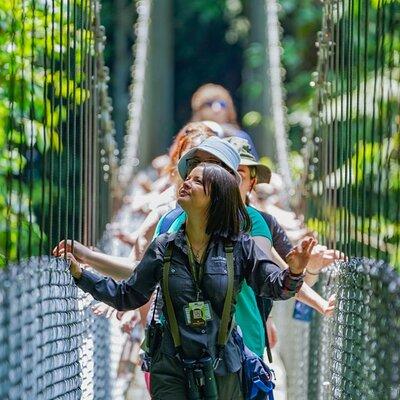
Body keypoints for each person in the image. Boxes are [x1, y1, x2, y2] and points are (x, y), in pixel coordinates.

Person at [62, 158, 315, 399]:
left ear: (216, 198)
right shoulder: (163, 246)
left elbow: (274, 287)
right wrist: (82, 276)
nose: (185, 183)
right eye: (188, 177)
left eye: (197, 181)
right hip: (171, 366)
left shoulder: (239, 246)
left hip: (224, 364)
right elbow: (128, 295)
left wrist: (294, 272)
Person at [191, 83, 259, 159]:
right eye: (209, 104)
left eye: (222, 104)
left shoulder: (240, 138)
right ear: (199, 111)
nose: (217, 109)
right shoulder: (191, 137)